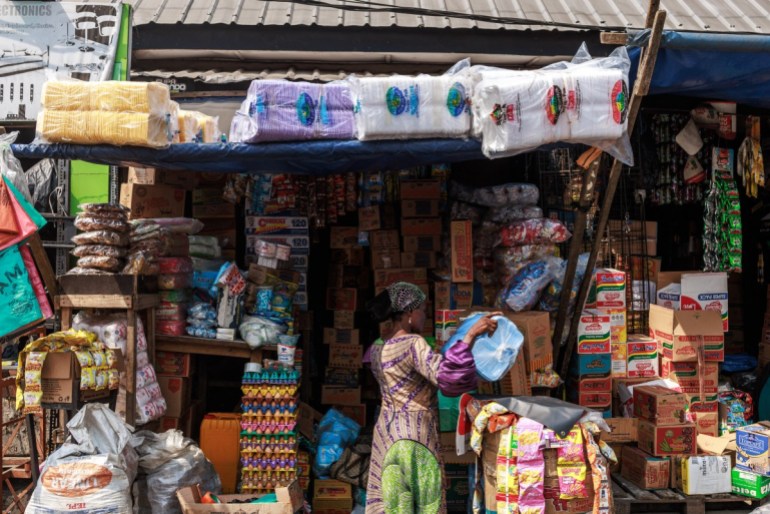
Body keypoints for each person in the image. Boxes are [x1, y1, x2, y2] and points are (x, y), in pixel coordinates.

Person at [364, 281, 499, 514]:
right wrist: (469, 336)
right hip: (414, 435)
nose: (424, 316)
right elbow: (447, 377)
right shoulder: (413, 344)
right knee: (424, 502)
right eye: (422, 310)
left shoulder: (378, 346)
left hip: (386, 433)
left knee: (394, 501)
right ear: (408, 312)